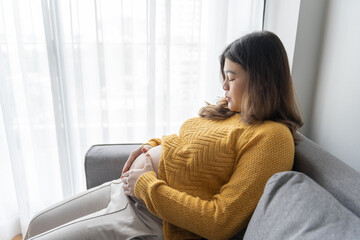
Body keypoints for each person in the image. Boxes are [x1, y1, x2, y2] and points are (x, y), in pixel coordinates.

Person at [25, 31, 303, 240]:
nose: (223, 85)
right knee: (35, 224)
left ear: (260, 80)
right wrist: (150, 146)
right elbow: (186, 142)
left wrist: (145, 184)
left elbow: (221, 221)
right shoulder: (230, 111)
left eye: (231, 77)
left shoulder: (272, 138)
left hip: (149, 216)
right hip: (125, 191)